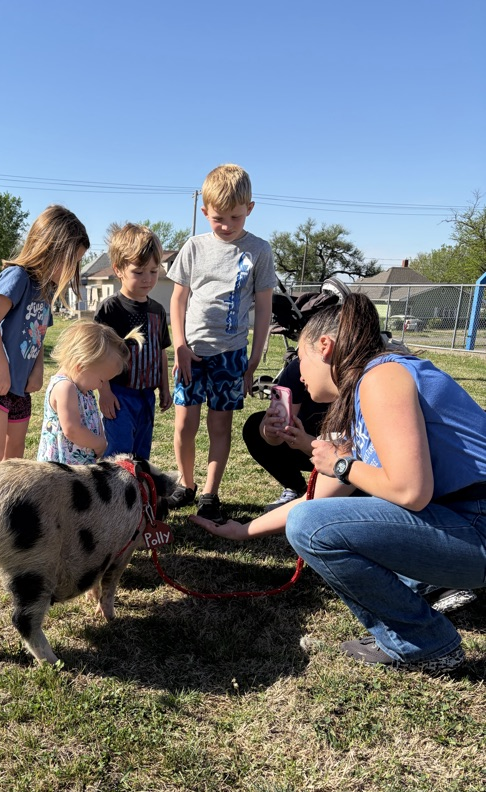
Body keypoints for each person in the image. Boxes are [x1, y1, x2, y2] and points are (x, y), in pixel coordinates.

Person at [280, 292, 486, 675]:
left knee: (311, 526)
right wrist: (243, 532)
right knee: (337, 520)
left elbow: (409, 491)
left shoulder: (380, 378)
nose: (299, 372)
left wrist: (342, 464)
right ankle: (427, 593)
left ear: (325, 347)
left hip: (477, 525)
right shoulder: (389, 371)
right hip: (468, 518)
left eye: (299, 359)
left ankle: (425, 643)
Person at [166, 163, 276, 524]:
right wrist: (179, 344)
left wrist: (254, 359)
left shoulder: (259, 251)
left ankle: (210, 493)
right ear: (204, 212)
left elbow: (263, 309)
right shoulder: (194, 248)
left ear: (250, 209)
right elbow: (178, 300)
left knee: (220, 426)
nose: (227, 225)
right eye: (218, 218)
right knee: (185, 426)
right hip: (191, 355)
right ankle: (185, 484)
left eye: (235, 217)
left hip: (231, 356)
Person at [0, 205, 89, 483]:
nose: (73, 270)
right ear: (50, 249)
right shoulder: (18, 277)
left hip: (19, 386)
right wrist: (2, 368)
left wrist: (37, 370)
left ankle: (1, 515)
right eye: (72, 261)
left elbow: (39, 334)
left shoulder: (46, 289)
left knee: (14, 457)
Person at [93, 223, 172, 458]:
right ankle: (116, 495)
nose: (147, 279)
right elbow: (96, 355)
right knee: (119, 453)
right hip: (118, 394)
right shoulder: (110, 309)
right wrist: (104, 392)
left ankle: (138, 494)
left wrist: (165, 388)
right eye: (139, 272)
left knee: (141, 453)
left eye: (154, 271)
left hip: (147, 395)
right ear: (119, 270)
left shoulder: (158, 310)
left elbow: (160, 352)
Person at [37, 320, 142, 465]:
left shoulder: (83, 387)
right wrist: (99, 443)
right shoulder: (65, 388)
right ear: (81, 366)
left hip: (77, 468)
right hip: (60, 472)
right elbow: (72, 429)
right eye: (101, 380)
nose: (101, 385)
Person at [243, 353, 330, 512]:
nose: (302, 378)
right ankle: (296, 488)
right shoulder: (296, 370)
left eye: (302, 356)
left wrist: (306, 442)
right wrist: (269, 432)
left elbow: (347, 456)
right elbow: (279, 436)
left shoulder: (364, 383)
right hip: (310, 446)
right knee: (254, 426)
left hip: (347, 463)